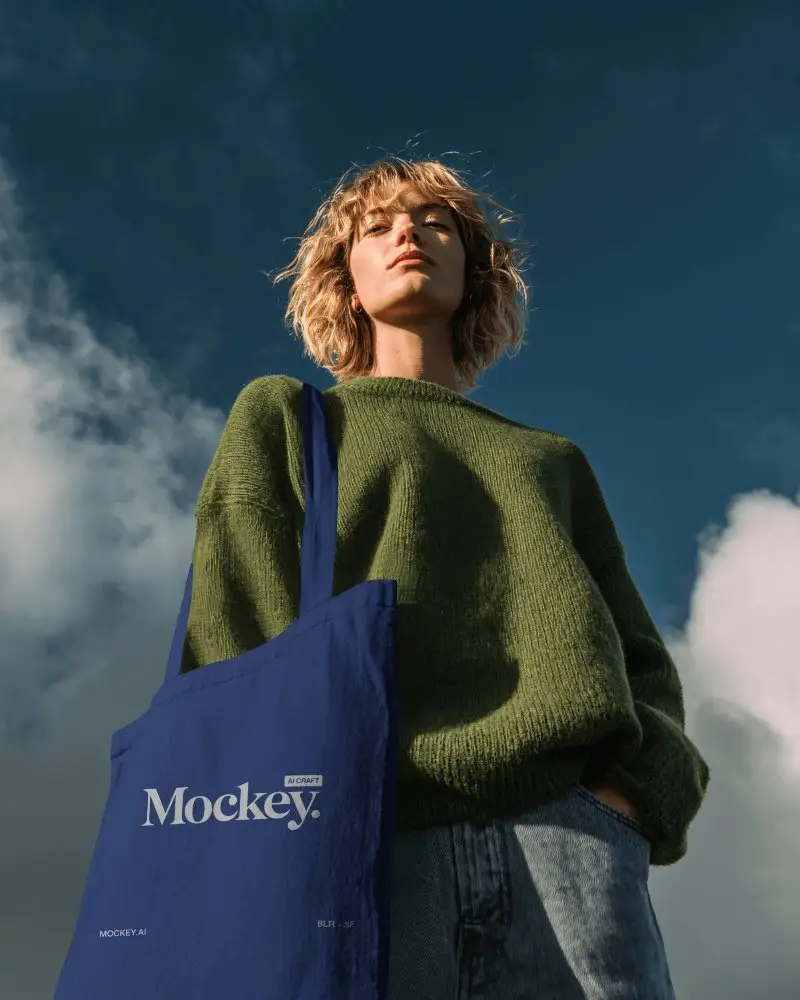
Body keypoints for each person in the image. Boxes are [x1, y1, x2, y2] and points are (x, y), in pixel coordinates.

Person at [181, 156, 710, 998]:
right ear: (344, 277)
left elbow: (640, 658)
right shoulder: (290, 419)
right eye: (378, 226)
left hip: (568, 838)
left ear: (476, 270)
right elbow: (231, 635)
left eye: (435, 223)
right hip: (359, 837)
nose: (408, 236)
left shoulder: (549, 461)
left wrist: (630, 800)